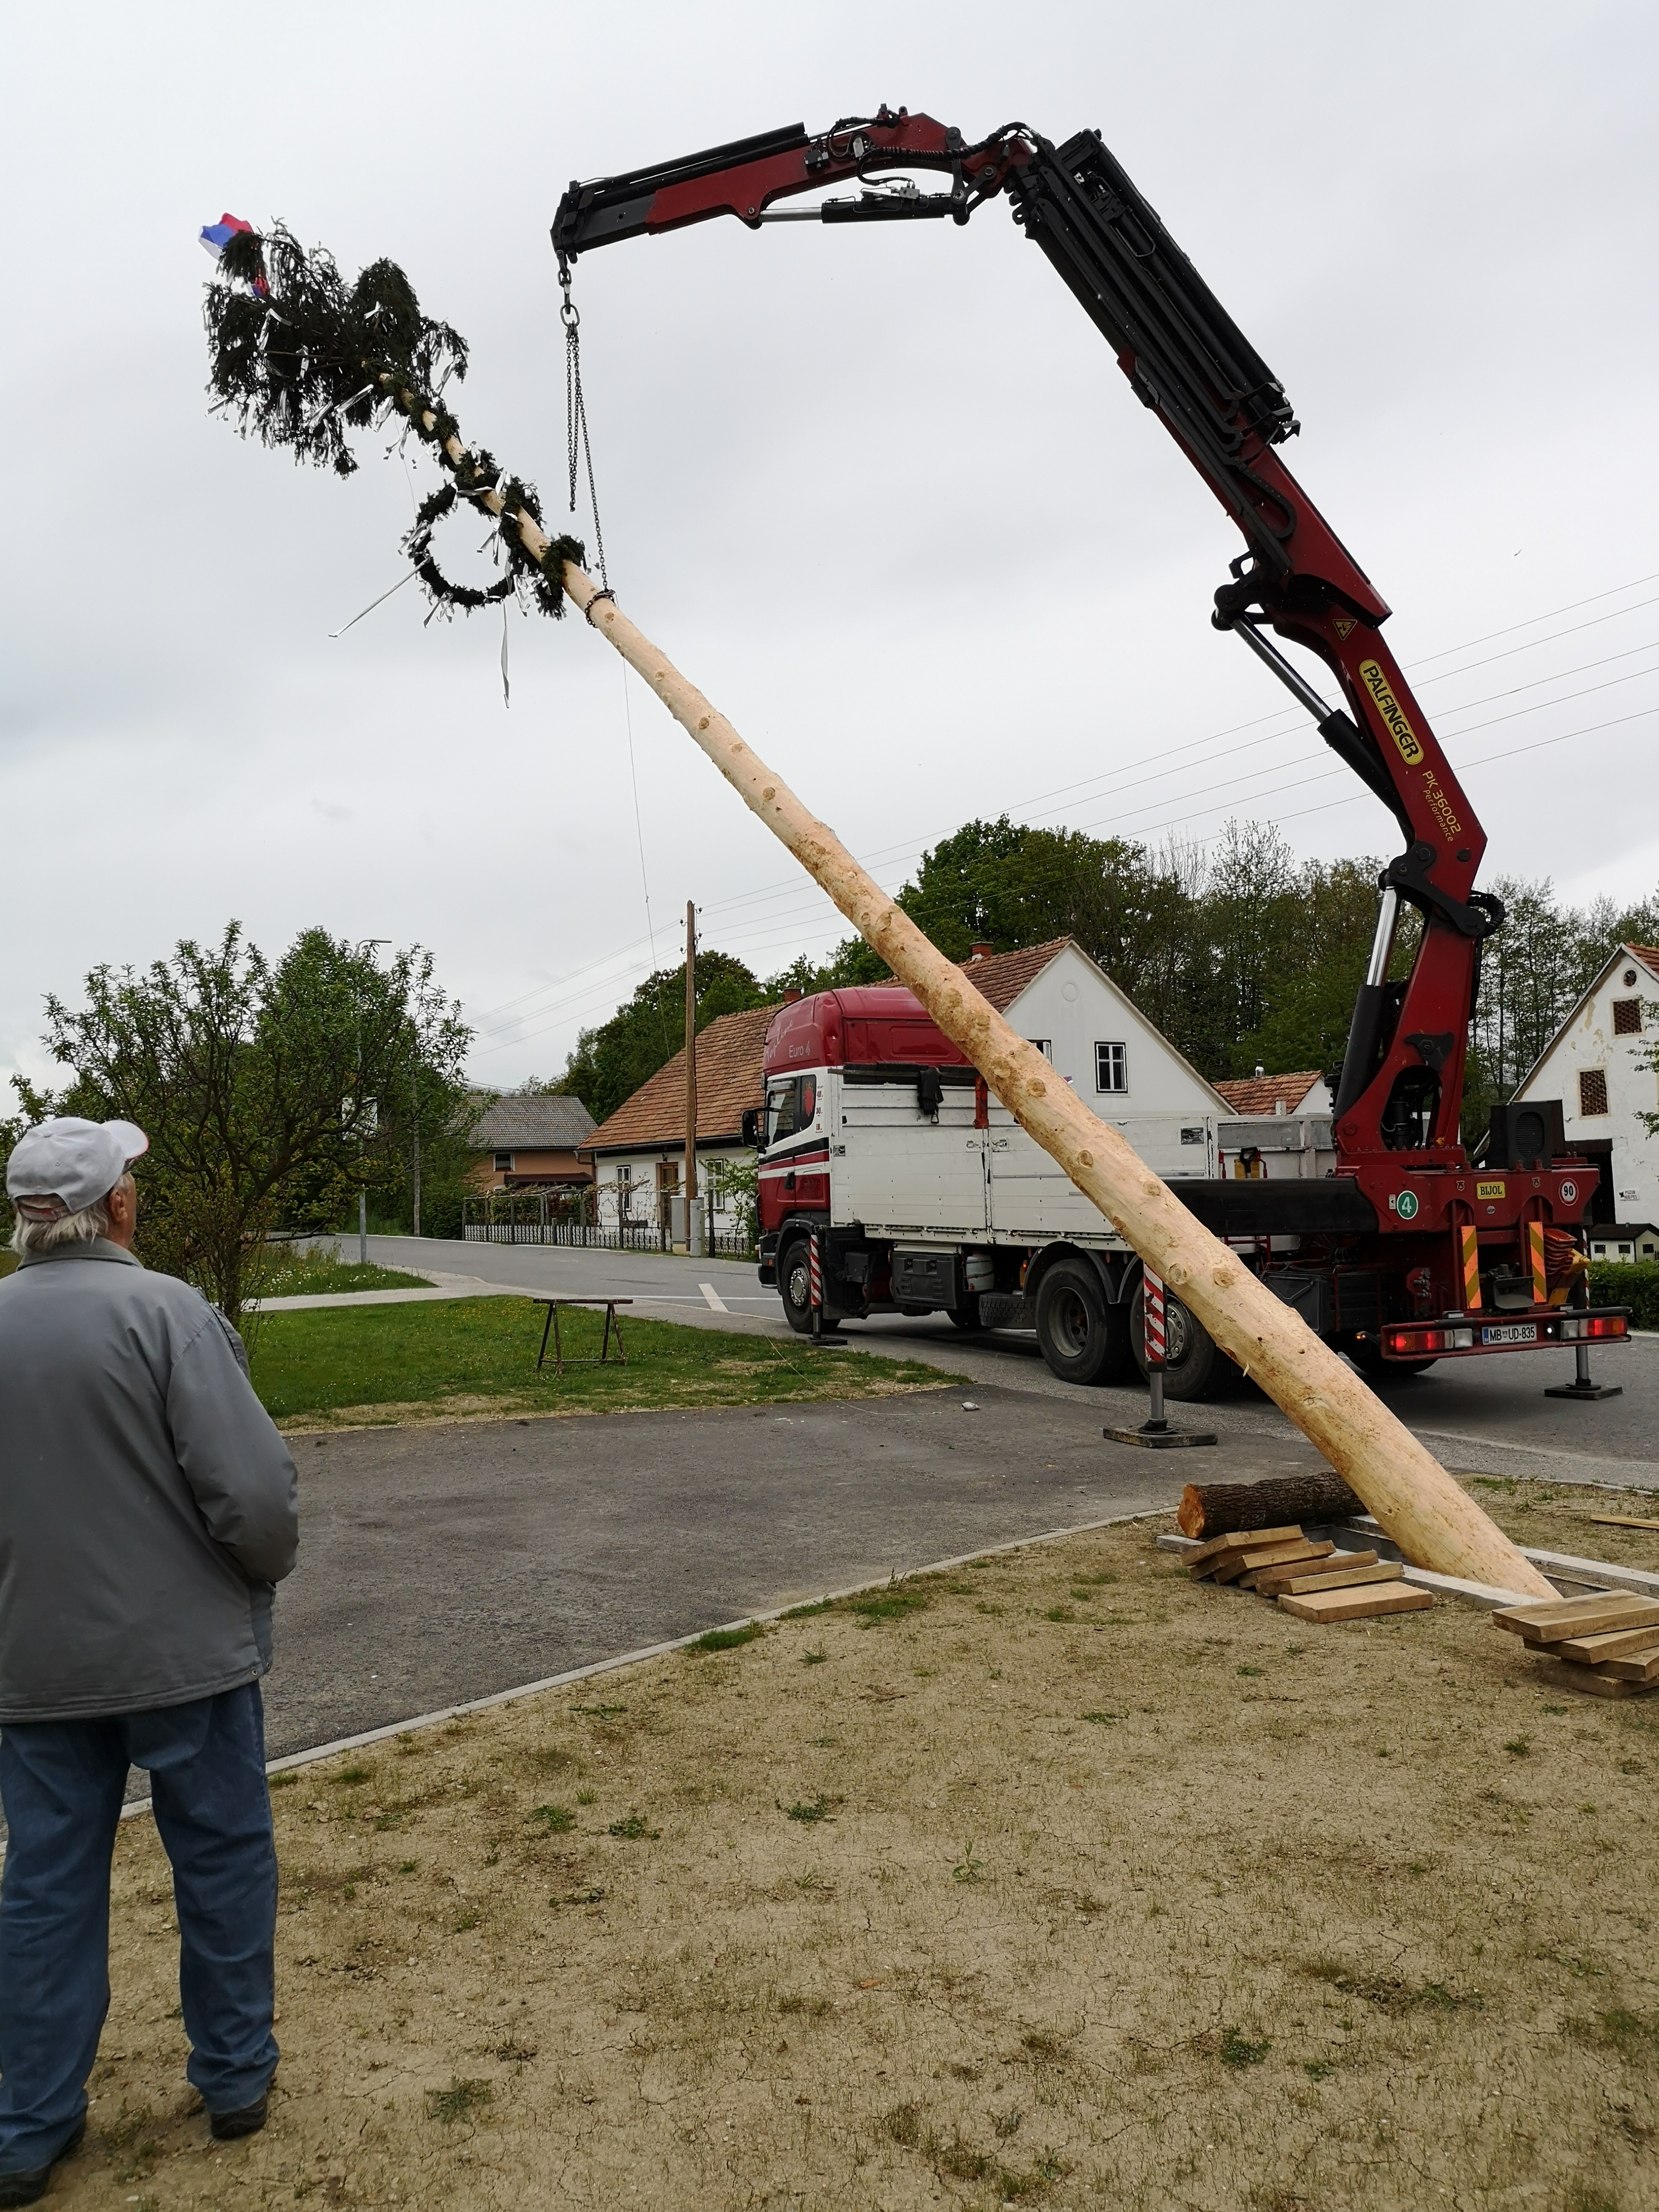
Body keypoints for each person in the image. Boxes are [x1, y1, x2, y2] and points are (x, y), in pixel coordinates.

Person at [0, 1117, 299, 2205]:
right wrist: (262, 1570)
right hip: (187, 1660)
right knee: (222, 1861)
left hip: (34, 1666)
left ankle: (28, 2121)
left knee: (43, 1885)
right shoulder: (170, 1313)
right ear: (117, 1205)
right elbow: (252, 1496)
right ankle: (234, 2074)